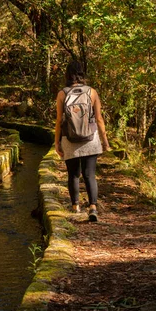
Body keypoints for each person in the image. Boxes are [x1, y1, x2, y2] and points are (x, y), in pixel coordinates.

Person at [55, 60, 110, 222]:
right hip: (90, 139)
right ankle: (93, 207)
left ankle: (76, 207)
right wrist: (105, 141)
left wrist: (56, 142)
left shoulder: (62, 93)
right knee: (89, 175)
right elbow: (99, 119)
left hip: (69, 138)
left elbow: (59, 121)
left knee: (73, 175)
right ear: (82, 73)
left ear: (67, 74)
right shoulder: (91, 92)